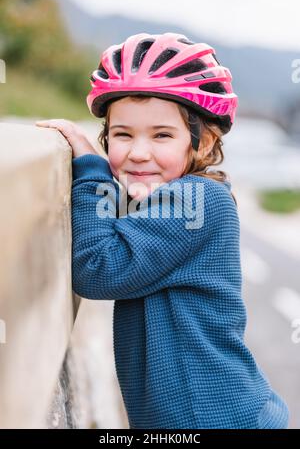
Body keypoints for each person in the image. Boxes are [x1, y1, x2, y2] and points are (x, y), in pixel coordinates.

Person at [35, 32, 290, 429]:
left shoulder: (199, 199)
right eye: (123, 134)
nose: (139, 152)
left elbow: (98, 268)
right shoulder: (163, 198)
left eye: (162, 135)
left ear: (201, 142)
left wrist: (90, 170)